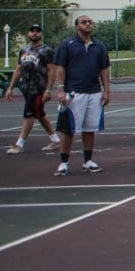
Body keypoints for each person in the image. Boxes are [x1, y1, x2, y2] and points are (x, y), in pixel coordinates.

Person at [47, 14, 112, 177]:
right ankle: (64, 162)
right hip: (74, 92)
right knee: (68, 129)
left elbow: (104, 69)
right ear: (77, 26)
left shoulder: (99, 46)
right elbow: (60, 67)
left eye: (90, 22)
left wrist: (107, 91)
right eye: (84, 22)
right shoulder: (67, 45)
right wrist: (60, 89)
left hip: (94, 92)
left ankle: (88, 161)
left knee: (90, 128)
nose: (88, 24)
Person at [3, 24, 58, 154]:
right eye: (32, 31)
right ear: (28, 34)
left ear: (41, 34)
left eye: (37, 31)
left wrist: (48, 90)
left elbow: (52, 71)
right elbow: (18, 69)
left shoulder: (47, 51)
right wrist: (10, 87)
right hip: (26, 88)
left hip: (38, 88)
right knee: (39, 113)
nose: (35, 33)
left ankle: (19, 144)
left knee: (29, 114)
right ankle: (55, 140)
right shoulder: (24, 50)